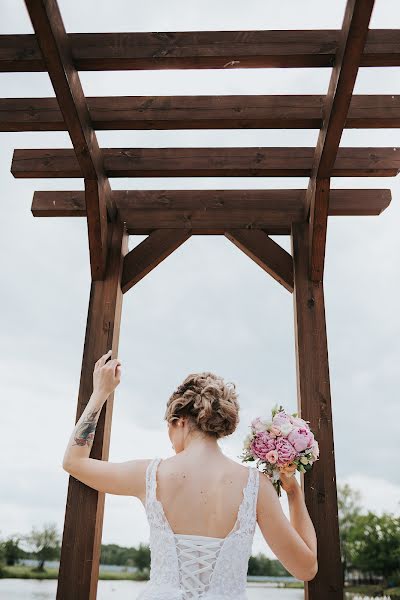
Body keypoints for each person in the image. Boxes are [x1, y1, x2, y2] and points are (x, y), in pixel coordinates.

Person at [62, 350, 318, 600]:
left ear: (179, 421)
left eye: (168, 427)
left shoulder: (150, 475)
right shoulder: (255, 485)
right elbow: (306, 569)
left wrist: (101, 392)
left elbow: (74, 461)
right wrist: (294, 493)